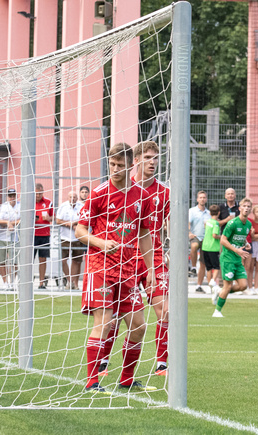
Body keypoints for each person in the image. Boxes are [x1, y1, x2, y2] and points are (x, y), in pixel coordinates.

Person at [75, 142, 155, 393]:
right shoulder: (99, 193)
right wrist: (100, 242)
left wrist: (150, 268)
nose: (115, 169)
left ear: (131, 164)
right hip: (100, 267)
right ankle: (92, 382)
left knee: (139, 326)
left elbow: (143, 233)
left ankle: (127, 379)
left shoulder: (142, 196)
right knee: (106, 321)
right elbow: (79, 230)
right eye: (112, 164)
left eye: (120, 165)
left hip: (129, 269)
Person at [130, 140, 171, 376]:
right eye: (147, 157)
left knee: (165, 311)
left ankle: (162, 363)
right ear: (136, 161)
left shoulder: (164, 192)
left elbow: (168, 224)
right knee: (116, 315)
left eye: (155, 157)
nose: (152, 162)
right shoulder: (125, 189)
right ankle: (102, 362)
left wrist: (171, 248)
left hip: (154, 257)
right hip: (125, 258)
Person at [212, 197, 253, 318]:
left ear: (250, 209)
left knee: (243, 286)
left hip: (237, 258)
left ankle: (219, 292)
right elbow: (223, 240)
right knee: (228, 285)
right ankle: (217, 311)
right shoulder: (232, 223)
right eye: (244, 206)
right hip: (228, 258)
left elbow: (240, 236)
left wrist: (246, 243)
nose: (246, 208)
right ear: (240, 208)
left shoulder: (248, 224)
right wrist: (236, 250)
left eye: (248, 206)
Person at [56, 191, 84, 290]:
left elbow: (85, 218)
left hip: (78, 237)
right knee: (63, 260)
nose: (72, 198)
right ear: (68, 197)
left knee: (77, 261)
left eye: (74, 197)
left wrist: (75, 223)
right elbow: (58, 220)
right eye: (70, 196)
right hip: (65, 237)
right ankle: (69, 280)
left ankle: (75, 284)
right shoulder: (63, 207)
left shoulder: (81, 206)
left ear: (77, 198)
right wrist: (68, 224)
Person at [0, 189, 21, 290]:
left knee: (14, 261)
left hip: (14, 238)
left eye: (13, 196)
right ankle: (5, 282)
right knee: (2, 261)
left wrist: (12, 223)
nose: (12, 198)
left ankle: (13, 281)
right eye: (10, 196)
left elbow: (22, 219)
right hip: (2, 237)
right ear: (7, 197)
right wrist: (7, 223)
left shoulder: (20, 206)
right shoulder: (3, 206)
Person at [188, 190, 210, 290]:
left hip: (206, 238)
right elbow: (188, 223)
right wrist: (189, 233)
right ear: (197, 199)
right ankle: (193, 267)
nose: (202, 199)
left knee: (203, 262)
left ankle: (199, 285)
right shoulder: (192, 211)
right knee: (194, 246)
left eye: (204, 197)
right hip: (195, 236)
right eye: (200, 197)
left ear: (206, 199)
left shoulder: (209, 213)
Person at [34, 183, 54, 289]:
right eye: (36, 193)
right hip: (32, 235)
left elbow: (54, 218)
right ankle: (26, 282)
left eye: (40, 193)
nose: (38, 196)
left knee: (43, 259)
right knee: (29, 259)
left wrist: (48, 218)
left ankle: (41, 283)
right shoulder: (29, 202)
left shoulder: (48, 202)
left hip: (44, 235)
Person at [202, 205, 222, 294]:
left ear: (210, 213)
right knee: (217, 267)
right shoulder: (216, 223)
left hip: (205, 246)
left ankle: (209, 287)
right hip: (213, 247)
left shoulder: (207, 222)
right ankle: (213, 281)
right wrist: (222, 237)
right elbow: (214, 235)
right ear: (218, 213)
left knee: (209, 268)